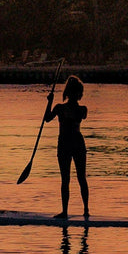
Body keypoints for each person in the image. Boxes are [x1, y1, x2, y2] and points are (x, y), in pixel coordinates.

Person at [45, 75, 89, 221]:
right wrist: (49, 103)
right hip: (64, 145)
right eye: (79, 93)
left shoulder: (82, 109)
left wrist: (54, 105)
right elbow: (47, 119)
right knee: (66, 179)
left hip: (75, 144)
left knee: (81, 178)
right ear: (75, 94)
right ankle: (65, 211)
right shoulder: (59, 108)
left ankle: (86, 210)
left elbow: (77, 117)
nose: (80, 96)